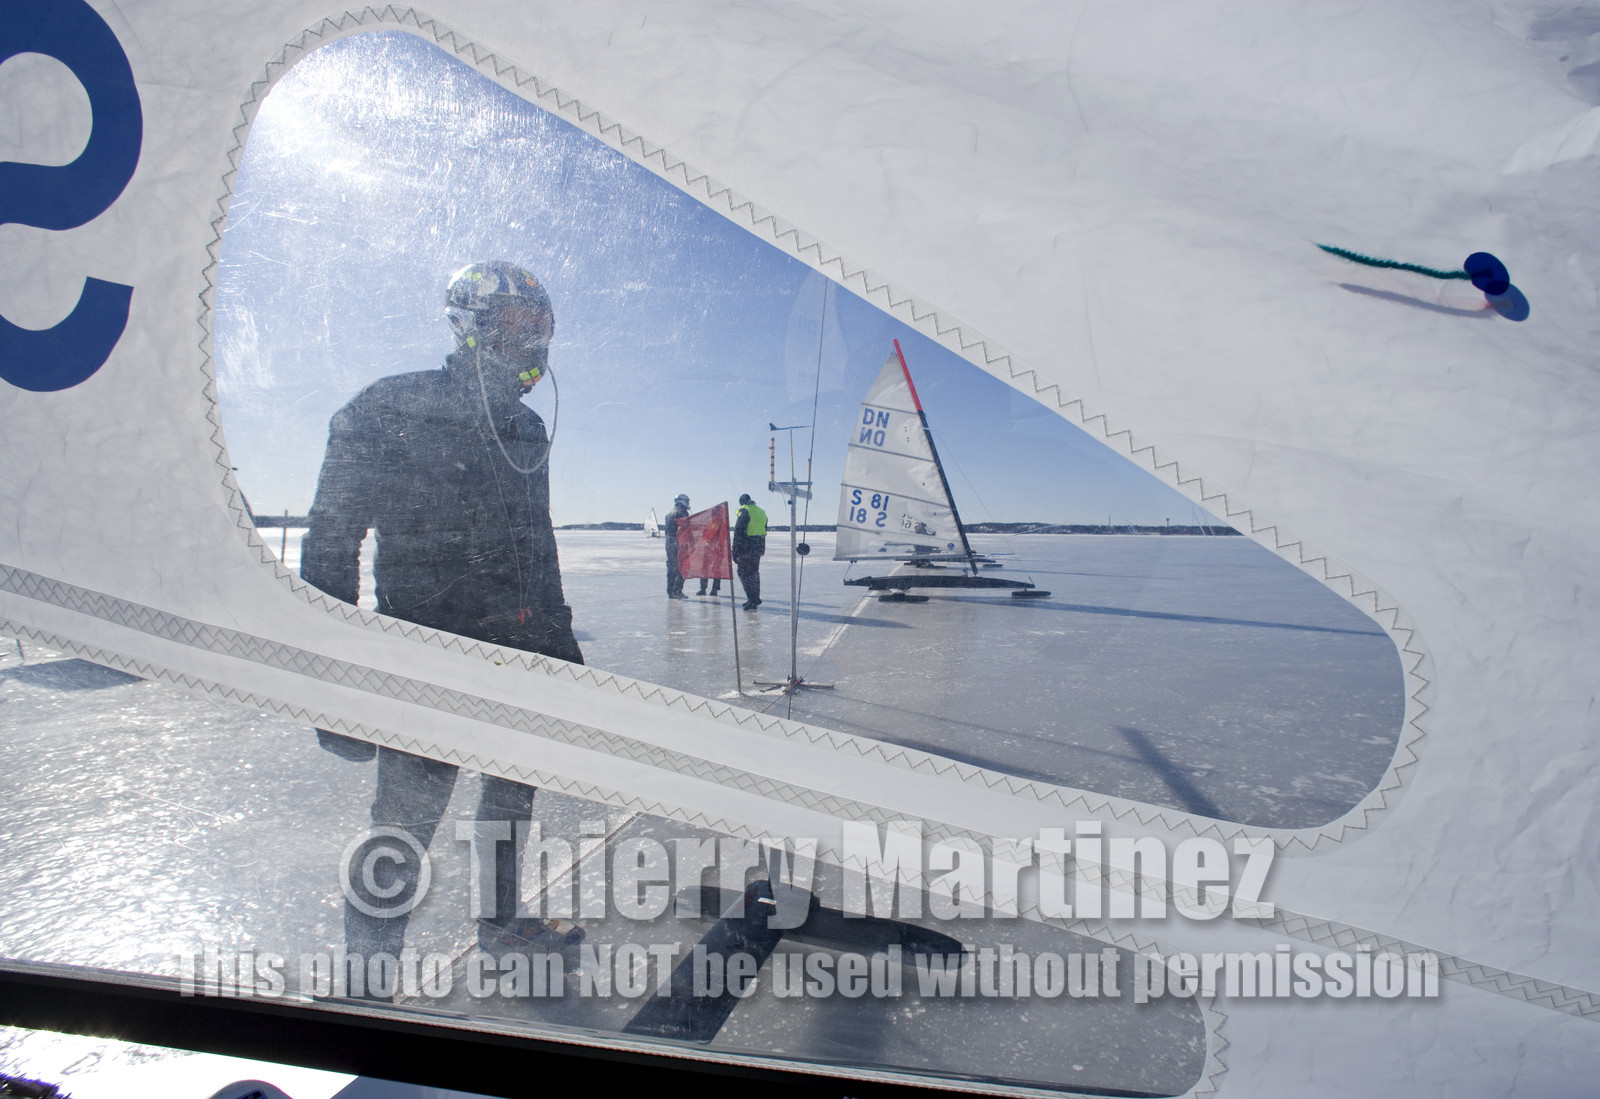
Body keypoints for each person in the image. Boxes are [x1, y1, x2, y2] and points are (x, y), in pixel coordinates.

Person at [300, 261, 584, 981]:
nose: (534, 344)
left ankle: (502, 928)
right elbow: (332, 541)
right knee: (401, 827)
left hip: (517, 659)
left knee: (510, 800)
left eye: (541, 329)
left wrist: (564, 659)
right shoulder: (393, 405)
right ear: (474, 323)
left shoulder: (523, 427)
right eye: (520, 325)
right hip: (426, 661)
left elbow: (535, 548)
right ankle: (368, 976)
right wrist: (334, 684)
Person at [733, 492, 767, 610]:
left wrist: (735, 551)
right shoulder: (761, 511)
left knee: (743, 573)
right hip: (758, 547)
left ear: (742, 503)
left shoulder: (744, 511)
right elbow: (764, 529)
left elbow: (738, 532)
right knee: (753, 573)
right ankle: (755, 598)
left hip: (746, 548)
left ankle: (752, 599)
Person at [664, 493, 690, 599]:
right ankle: (678, 590)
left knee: (671, 567)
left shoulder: (669, 513)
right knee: (681, 568)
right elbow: (686, 529)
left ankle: (670, 591)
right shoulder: (682, 512)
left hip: (669, 543)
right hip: (679, 543)